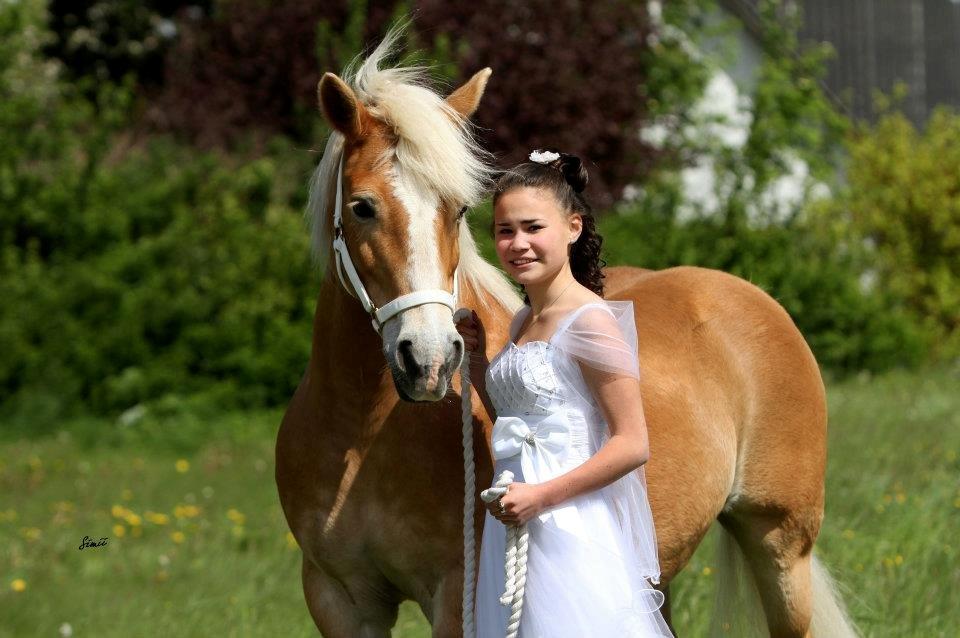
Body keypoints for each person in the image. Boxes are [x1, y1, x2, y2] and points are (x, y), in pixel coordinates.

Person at [455, 150, 674, 637]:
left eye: (534, 228)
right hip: (513, 521)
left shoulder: (590, 321)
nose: (517, 244)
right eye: (505, 230)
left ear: (572, 228)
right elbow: (521, 418)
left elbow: (632, 442)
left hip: (567, 524)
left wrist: (542, 497)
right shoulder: (522, 319)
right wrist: (477, 366)